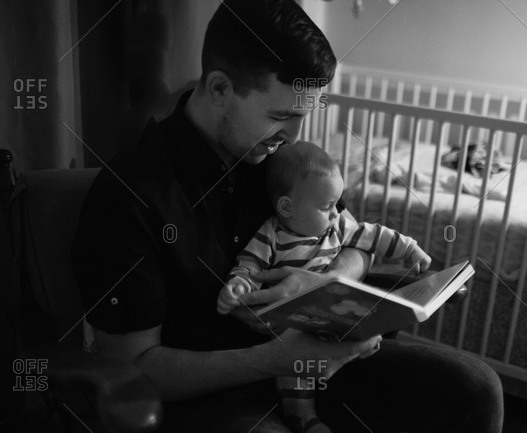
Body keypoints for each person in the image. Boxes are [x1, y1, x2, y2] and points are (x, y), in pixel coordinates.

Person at [72, 1, 504, 432]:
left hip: (309, 366)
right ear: (220, 89)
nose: (293, 137)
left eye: (302, 117)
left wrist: (328, 280)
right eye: (281, 116)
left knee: (475, 388)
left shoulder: (276, 161)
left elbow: (352, 240)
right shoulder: (129, 195)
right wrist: (275, 359)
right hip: (207, 390)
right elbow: (133, 369)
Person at [217, 141, 432, 432]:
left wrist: (410, 249)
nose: (336, 213)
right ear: (287, 207)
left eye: (337, 204)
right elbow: (249, 267)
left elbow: (375, 235)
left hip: (329, 313)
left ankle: (354, 351)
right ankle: (302, 415)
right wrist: (237, 288)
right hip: (291, 325)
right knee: (294, 366)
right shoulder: (271, 236)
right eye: (327, 207)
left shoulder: (336, 227)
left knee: (365, 320)